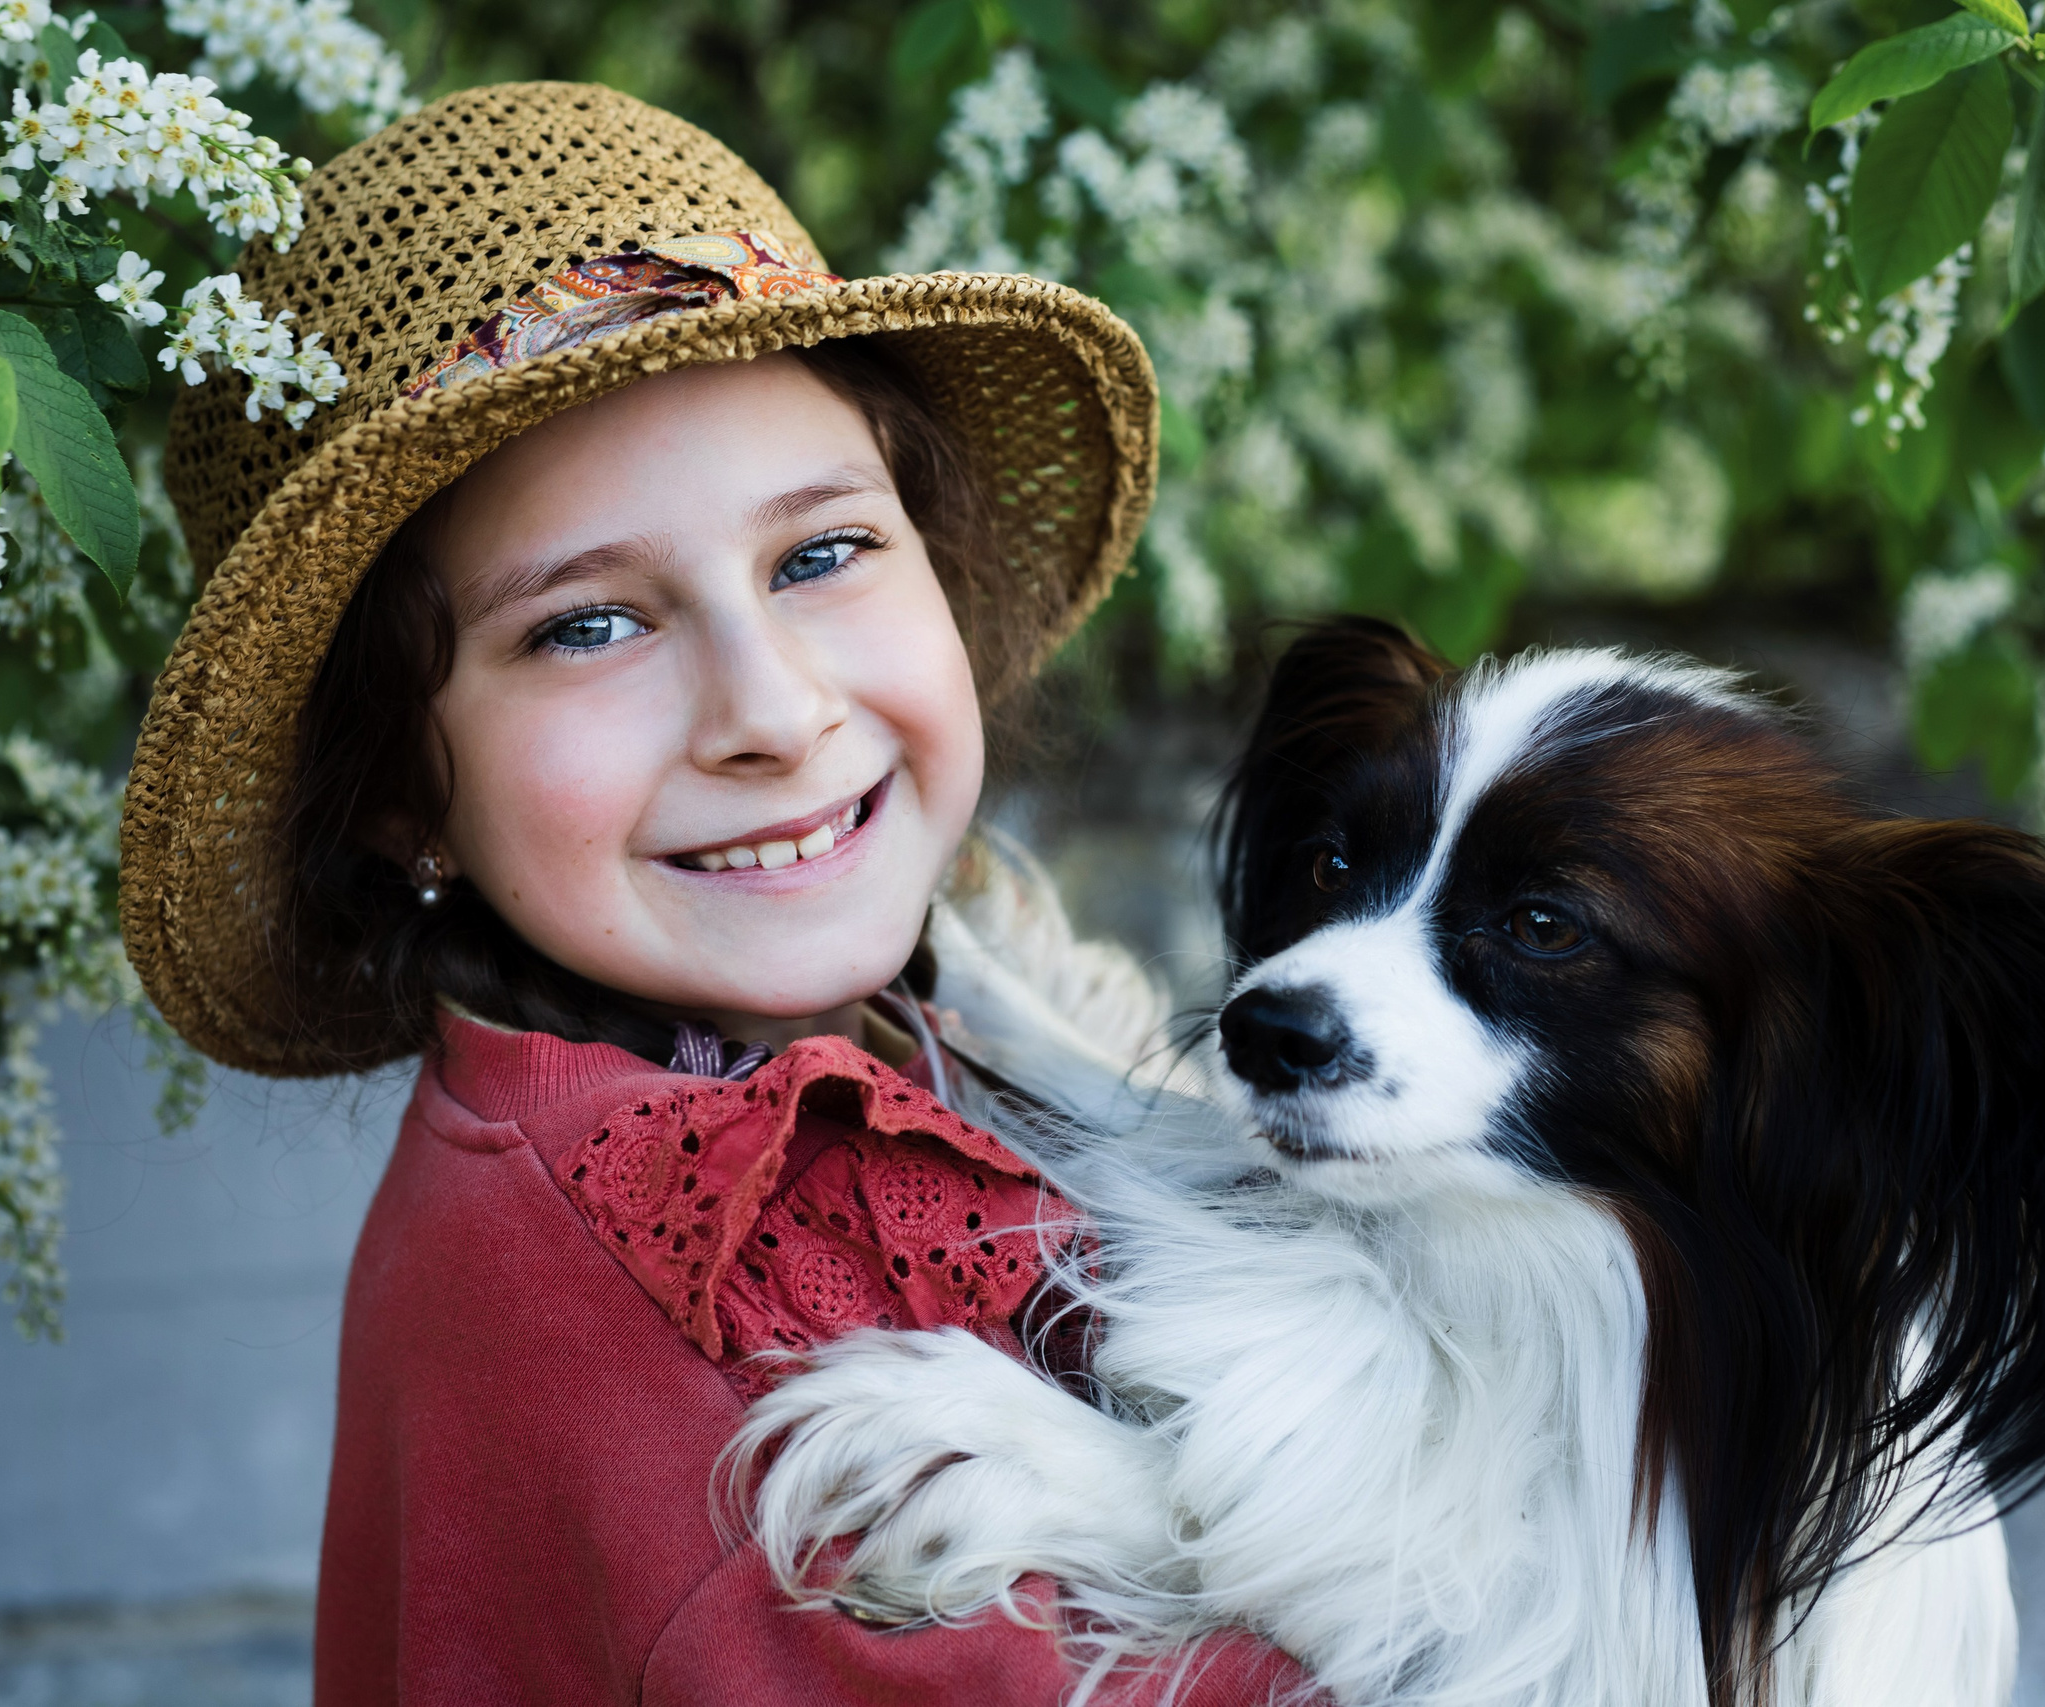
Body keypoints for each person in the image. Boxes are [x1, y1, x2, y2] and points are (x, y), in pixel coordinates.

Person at [119, 82, 1312, 1705]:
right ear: (404, 796)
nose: (772, 712)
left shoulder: (940, 1024)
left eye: (820, 555)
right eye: (589, 626)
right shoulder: (686, 1275)